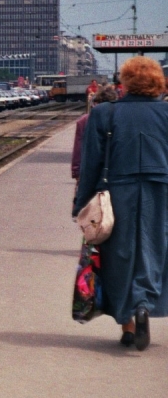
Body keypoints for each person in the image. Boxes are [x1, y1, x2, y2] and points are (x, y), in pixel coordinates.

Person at [73, 56, 168, 351]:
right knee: (155, 248)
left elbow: (91, 163)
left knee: (119, 254)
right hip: (162, 190)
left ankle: (128, 323)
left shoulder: (104, 113)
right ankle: (144, 304)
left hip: (116, 192)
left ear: (124, 82)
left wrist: (81, 204)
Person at [71, 85, 118, 181]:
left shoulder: (84, 120)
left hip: (89, 170)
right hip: (115, 171)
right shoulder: (120, 118)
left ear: (96, 102)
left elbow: (79, 148)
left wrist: (77, 172)